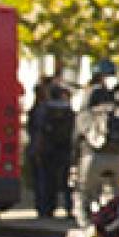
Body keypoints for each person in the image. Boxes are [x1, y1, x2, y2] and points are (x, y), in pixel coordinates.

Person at [76, 62, 119, 228]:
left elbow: (77, 136)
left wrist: (73, 164)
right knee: (116, 191)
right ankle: (118, 224)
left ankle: (87, 227)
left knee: (84, 192)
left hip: (93, 157)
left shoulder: (87, 106)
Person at [29, 84, 76, 221]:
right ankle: (69, 208)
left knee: (47, 180)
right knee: (67, 181)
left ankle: (46, 209)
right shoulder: (68, 110)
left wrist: (36, 148)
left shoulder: (43, 109)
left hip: (47, 150)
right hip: (65, 149)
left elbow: (37, 130)